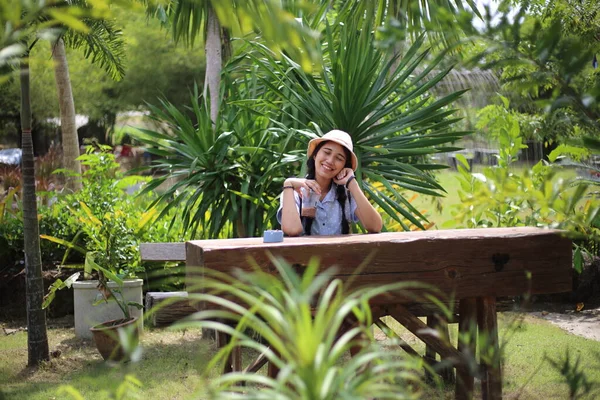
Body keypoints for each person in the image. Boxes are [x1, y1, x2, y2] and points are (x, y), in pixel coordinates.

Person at [278, 129, 382, 236]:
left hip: (340, 252)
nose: (330, 161)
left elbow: (375, 226)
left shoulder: (347, 194)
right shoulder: (294, 191)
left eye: (339, 158)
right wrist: (288, 184)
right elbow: (292, 230)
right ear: (315, 155)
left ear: (344, 166)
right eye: (327, 152)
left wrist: (351, 181)